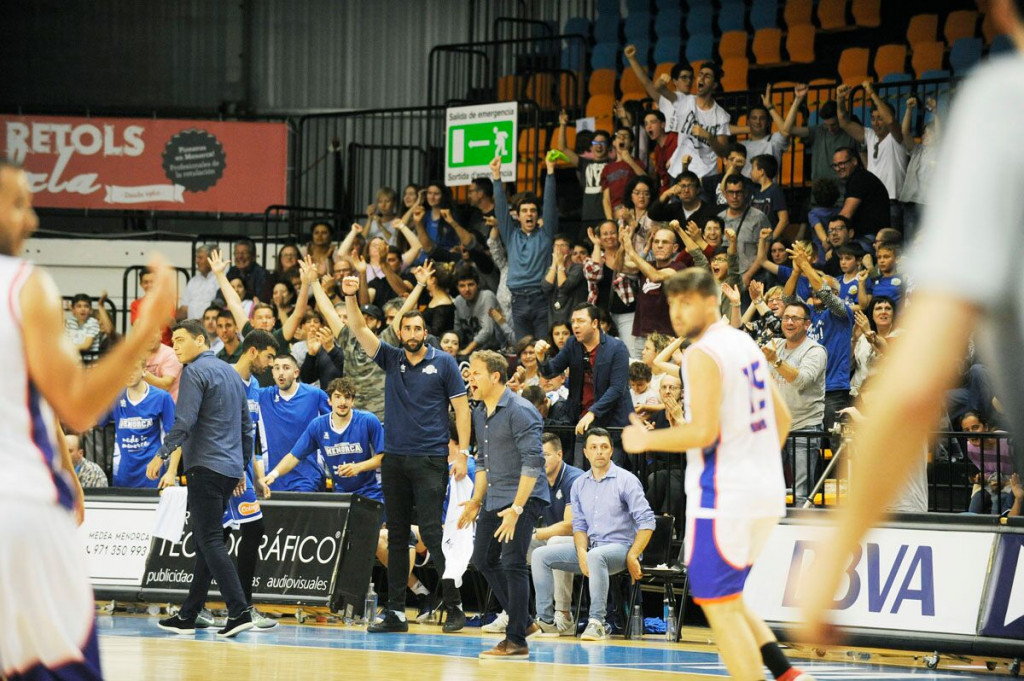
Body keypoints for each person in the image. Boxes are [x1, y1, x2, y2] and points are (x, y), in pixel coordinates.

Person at [0, 160, 178, 679]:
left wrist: (67, 465)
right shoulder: (23, 285)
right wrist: (147, 326)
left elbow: (30, 397)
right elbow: (75, 403)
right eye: (17, 204)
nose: (31, 218)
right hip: (20, 511)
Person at [620, 267, 814, 681]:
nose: (675, 311)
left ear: (711, 302)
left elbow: (703, 432)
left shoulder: (702, 353)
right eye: (671, 303)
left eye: (685, 301)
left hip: (725, 494)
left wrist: (645, 442)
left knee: (717, 604)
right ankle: (786, 672)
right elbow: (781, 420)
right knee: (727, 595)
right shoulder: (743, 343)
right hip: (763, 492)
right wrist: (755, 465)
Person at [340, 273, 472, 633]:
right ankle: (396, 613)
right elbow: (359, 331)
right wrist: (351, 297)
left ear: (425, 332)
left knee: (432, 530)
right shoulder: (392, 358)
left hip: (430, 459)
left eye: (418, 329)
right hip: (395, 459)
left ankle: (454, 604)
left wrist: (460, 453)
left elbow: (462, 409)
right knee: (397, 535)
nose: (412, 334)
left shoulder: (443, 363)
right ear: (400, 333)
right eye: (407, 329)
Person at [149, 319, 256, 638]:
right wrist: (241, 467)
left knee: (208, 539)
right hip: (227, 470)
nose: (176, 346)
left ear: (200, 340)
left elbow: (183, 421)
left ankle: (239, 611)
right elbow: (247, 427)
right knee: (210, 541)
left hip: (205, 468)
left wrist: (162, 453)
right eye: (174, 341)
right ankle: (189, 613)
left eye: (181, 340)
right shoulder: (232, 373)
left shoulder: (194, 372)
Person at [458, 351, 548, 659]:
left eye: (476, 373)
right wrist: (475, 501)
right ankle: (525, 620)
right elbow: (482, 462)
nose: (470, 379)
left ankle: (516, 641)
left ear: (495, 376)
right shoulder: (480, 411)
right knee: (483, 558)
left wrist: (518, 509)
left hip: (524, 497)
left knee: (512, 561)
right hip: (495, 497)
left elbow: (533, 462)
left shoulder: (520, 411)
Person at [532, 428, 655, 641]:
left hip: (621, 549)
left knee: (596, 555)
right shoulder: (580, 484)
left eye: (604, 447)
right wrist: (580, 550)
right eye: (594, 447)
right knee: (540, 555)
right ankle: (546, 621)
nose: (599, 452)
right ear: (586, 452)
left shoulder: (626, 480)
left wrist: (634, 554)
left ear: (611, 451)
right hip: (591, 548)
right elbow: (579, 525)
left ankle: (598, 622)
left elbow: (648, 522)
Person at [535, 303, 633, 469]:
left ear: (594, 323)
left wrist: (593, 412)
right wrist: (541, 358)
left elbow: (617, 388)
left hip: (612, 424)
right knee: (579, 477)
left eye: (580, 321)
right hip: (582, 422)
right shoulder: (573, 344)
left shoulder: (617, 348)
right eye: (573, 321)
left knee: (609, 479)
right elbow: (551, 371)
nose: (575, 326)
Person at [265, 377, 384, 504]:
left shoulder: (368, 421)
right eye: (337, 396)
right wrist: (273, 475)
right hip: (342, 493)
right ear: (330, 400)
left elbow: (384, 456)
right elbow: (294, 456)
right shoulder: (318, 426)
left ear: (353, 401)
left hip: (371, 491)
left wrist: (358, 467)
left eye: (347, 397)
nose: (342, 402)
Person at [762, 301, 827, 506]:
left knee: (801, 494)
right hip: (775, 428)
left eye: (795, 319)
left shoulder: (815, 351)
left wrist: (776, 362)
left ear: (807, 324)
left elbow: (801, 381)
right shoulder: (776, 346)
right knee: (767, 489)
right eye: (786, 318)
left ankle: (801, 534)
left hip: (804, 428)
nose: (789, 322)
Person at [492, 154, 559, 341]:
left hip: (541, 299)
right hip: (518, 300)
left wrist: (550, 172)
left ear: (538, 215)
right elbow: (501, 209)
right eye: (524, 211)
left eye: (533, 211)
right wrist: (497, 176)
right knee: (524, 351)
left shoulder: (545, 233)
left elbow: (550, 204)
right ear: (518, 215)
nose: (529, 214)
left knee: (543, 349)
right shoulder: (511, 235)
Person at [837, 81, 909, 231]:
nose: (876, 122)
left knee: (891, 247)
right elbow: (844, 122)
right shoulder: (870, 135)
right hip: (871, 202)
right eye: (873, 118)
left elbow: (889, 120)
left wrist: (872, 94)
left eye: (879, 118)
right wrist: (840, 99)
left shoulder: (897, 136)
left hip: (892, 203)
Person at [257, 354, 330, 492]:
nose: (281, 372)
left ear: (296, 372)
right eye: (276, 368)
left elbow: (335, 425)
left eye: (286, 368)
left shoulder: (315, 395)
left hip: (308, 476)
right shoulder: (263, 396)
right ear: (272, 373)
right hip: (274, 479)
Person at [103, 359, 176, 488]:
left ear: (144, 371)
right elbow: (94, 421)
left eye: (134, 368)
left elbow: (176, 436)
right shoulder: (114, 398)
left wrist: (171, 472)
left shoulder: (162, 397)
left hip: (152, 471)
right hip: (123, 473)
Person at [555, 112, 611, 222]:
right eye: (595, 142)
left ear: (608, 147)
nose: (599, 146)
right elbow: (562, 148)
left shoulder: (613, 165)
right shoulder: (584, 163)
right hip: (587, 217)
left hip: (607, 217)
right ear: (591, 147)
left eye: (602, 143)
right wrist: (562, 125)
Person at [832, 146, 891, 236]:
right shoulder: (858, 177)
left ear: (854, 161)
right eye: (835, 165)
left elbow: (846, 214)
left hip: (871, 238)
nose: (838, 168)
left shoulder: (859, 179)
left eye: (842, 164)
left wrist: (830, 236)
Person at [178, 243, 220, 320]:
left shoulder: (219, 279)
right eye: (197, 258)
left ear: (210, 260)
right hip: (191, 326)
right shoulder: (193, 281)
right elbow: (184, 308)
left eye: (200, 258)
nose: (197, 261)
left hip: (210, 325)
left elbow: (219, 307)